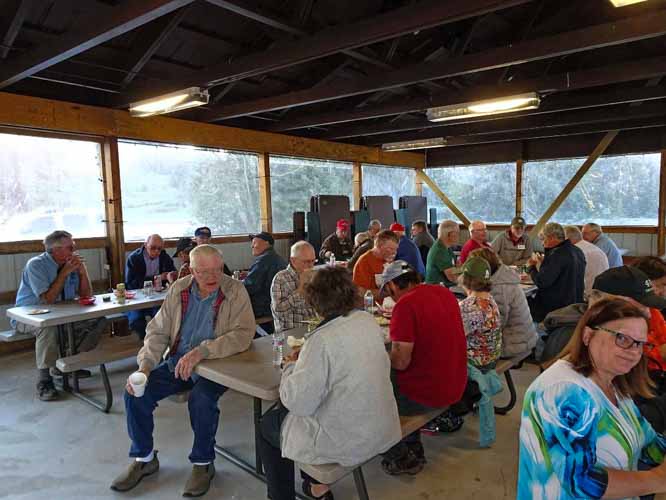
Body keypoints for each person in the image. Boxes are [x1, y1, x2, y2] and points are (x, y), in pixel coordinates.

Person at [111, 245, 255, 497]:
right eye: (204, 272)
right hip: (177, 361)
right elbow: (158, 332)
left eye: (218, 270)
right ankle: (144, 459)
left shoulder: (235, 290)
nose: (213, 277)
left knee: (201, 399)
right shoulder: (179, 289)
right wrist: (144, 368)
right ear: (190, 269)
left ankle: (203, 463)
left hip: (217, 364)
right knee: (135, 393)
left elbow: (243, 334)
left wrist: (203, 351)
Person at [257, 267, 401, 500]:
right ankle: (315, 486)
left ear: (314, 302)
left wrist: (291, 367)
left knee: (268, 425)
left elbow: (298, 403)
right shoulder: (366, 321)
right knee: (319, 405)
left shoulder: (321, 340)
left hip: (348, 438)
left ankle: (280, 496)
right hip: (379, 425)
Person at [518, 298, 666, 499]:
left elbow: (648, 443)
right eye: (622, 338)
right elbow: (580, 482)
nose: (633, 352)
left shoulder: (613, 381)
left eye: (639, 344)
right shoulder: (565, 391)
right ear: (588, 335)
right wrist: (656, 479)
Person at [379, 261, 467, 475]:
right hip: (456, 384)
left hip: (428, 395)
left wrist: (377, 355)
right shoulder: (444, 293)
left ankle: (401, 453)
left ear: (392, 285)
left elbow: (400, 362)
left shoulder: (405, 306)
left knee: (372, 388)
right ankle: (412, 442)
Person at [12, 230, 106, 401]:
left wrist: (82, 272)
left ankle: (64, 364)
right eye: (71, 247)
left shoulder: (70, 262)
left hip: (61, 314)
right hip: (27, 316)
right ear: (56, 250)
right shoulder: (36, 265)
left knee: (98, 321)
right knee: (48, 327)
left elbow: (86, 295)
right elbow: (47, 300)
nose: (74, 250)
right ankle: (44, 380)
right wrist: (64, 272)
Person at [457, 256, 503, 448]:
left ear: (465, 279)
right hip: (492, 359)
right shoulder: (491, 300)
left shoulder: (467, 306)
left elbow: (455, 335)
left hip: (475, 364)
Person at [470, 247, 537, 357]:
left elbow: (494, 326)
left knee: (465, 350)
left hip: (513, 344)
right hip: (522, 338)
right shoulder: (504, 276)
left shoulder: (498, 288)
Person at [527, 222, 585, 323]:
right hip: (575, 302)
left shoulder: (557, 254)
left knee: (523, 301)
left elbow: (541, 282)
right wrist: (544, 264)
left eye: (543, 239)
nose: (542, 243)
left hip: (557, 307)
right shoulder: (577, 251)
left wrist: (531, 267)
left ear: (552, 237)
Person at [125, 234, 176, 339]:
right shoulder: (134, 258)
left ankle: (158, 343)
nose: (156, 251)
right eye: (153, 248)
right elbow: (131, 282)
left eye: (159, 249)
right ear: (145, 245)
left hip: (157, 296)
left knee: (162, 317)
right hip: (137, 297)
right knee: (136, 321)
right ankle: (146, 342)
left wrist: (172, 276)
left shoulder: (164, 257)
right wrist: (157, 278)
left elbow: (172, 273)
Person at [270, 241, 317, 332]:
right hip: (291, 331)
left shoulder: (314, 275)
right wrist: (300, 290)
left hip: (313, 328)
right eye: (306, 262)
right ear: (293, 260)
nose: (311, 265)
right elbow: (279, 311)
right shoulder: (280, 278)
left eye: (313, 261)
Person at [244, 232, 287, 332]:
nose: (252, 246)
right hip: (273, 303)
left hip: (263, 307)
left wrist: (235, 285)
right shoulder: (277, 258)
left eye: (255, 242)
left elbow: (250, 286)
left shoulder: (263, 260)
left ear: (267, 243)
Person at [352, 229, 399, 300]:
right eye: (390, 249)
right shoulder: (365, 262)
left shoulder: (388, 259)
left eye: (396, 249)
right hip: (371, 306)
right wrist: (389, 293)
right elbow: (361, 292)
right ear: (379, 246)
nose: (394, 253)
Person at [564, 225, 609, 298]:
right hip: (603, 293)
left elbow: (567, 279)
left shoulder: (574, 251)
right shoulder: (592, 247)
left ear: (566, 239)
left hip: (586, 296)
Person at [425, 220, 460, 286]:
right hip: (438, 289)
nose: (458, 235)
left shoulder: (446, 247)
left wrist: (458, 269)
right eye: (457, 233)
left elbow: (456, 267)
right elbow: (453, 278)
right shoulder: (440, 251)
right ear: (449, 234)